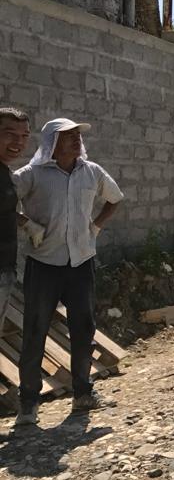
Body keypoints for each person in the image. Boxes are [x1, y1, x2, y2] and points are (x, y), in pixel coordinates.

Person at [13, 118, 124, 426]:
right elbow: (3, 200)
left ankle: (83, 393)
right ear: (52, 142)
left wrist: (96, 226)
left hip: (81, 264)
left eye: (78, 136)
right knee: (35, 331)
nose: (77, 140)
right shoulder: (33, 174)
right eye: (68, 136)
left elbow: (115, 199)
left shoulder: (92, 172)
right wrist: (26, 224)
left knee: (83, 329)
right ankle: (28, 403)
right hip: (43, 265)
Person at [0, 108, 32, 338]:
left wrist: (26, 223)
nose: (18, 142)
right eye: (9, 134)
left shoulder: (6, 173)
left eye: (24, 136)